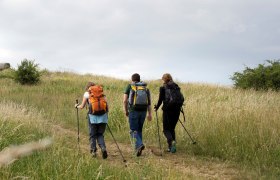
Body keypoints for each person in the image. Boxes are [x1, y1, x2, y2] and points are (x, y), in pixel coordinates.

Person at [75, 82, 108, 159]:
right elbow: (107, 106)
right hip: (103, 117)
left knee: (92, 135)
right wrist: (105, 116)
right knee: (100, 134)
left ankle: (93, 152)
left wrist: (76, 106)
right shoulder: (101, 93)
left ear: (88, 88)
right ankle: (103, 148)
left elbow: (82, 106)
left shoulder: (87, 93)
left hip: (92, 117)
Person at [123, 73, 152, 156]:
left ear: (132, 79)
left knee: (133, 130)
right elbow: (149, 102)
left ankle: (139, 145)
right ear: (139, 79)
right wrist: (149, 114)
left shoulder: (130, 86)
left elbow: (124, 100)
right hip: (143, 111)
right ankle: (138, 150)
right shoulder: (145, 88)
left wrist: (126, 111)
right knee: (139, 129)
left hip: (133, 110)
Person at [154, 73, 183, 153]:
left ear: (164, 79)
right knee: (172, 128)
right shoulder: (176, 86)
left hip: (167, 110)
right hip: (177, 110)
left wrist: (156, 107)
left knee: (166, 129)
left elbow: (160, 100)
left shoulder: (163, 88)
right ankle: (172, 148)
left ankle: (171, 142)